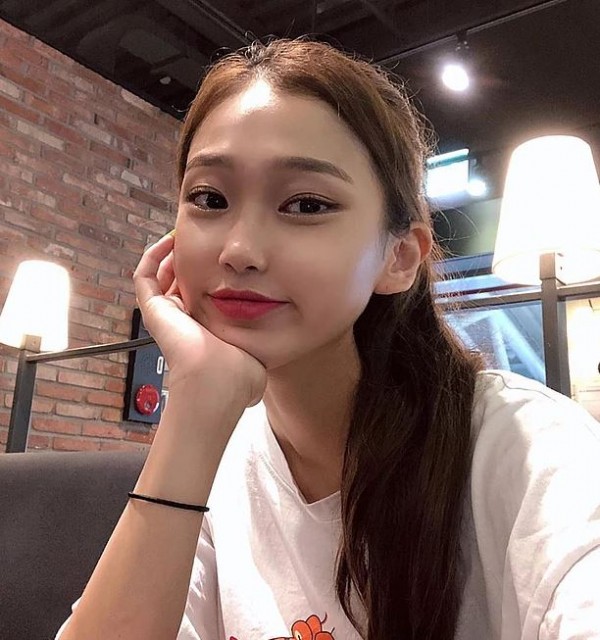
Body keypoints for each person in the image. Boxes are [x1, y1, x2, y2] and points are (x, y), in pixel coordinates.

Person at [55, 38, 600, 640]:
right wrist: (193, 412)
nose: (239, 250)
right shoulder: (220, 460)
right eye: (209, 198)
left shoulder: (532, 451)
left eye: (307, 204)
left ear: (399, 257)